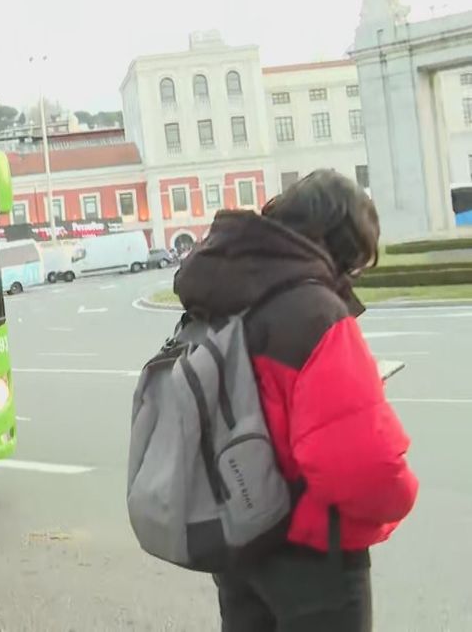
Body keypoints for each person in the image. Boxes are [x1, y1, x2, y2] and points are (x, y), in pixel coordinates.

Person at [173, 169, 419, 631]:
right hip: (312, 553)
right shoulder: (315, 314)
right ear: (343, 243)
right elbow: (363, 463)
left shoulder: (223, 293)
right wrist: (405, 494)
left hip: (239, 537)